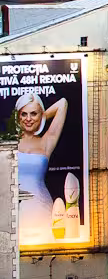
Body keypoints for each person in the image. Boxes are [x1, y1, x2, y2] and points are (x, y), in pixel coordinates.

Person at [14, 94, 67, 241]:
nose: (28, 118)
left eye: (33, 114)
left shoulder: (46, 142)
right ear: (18, 117)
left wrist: (42, 118)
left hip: (41, 207)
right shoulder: (8, 142)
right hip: (16, 210)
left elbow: (62, 103)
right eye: (23, 114)